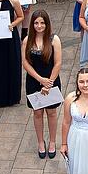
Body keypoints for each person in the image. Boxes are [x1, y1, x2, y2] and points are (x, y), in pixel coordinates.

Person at [22, 10, 62, 158]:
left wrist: (48, 83)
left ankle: (52, 142)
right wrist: (40, 80)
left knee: (51, 113)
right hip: (34, 81)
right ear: (32, 24)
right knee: (37, 113)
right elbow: (25, 62)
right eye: (36, 23)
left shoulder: (54, 39)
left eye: (42, 23)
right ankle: (40, 142)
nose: (39, 26)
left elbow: (57, 63)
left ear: (47, 24)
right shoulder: (27, 40)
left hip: (51, 80)